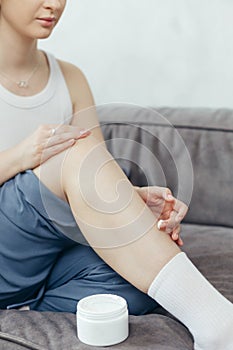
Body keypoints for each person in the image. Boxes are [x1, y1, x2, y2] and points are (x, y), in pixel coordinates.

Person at [0, 1, 232, 349]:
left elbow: (92, 169)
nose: (54, 3)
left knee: (144, 260)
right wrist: (21, 156)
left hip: (51, 255)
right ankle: (219, 324)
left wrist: (133, 198)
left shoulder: (70, 77)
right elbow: (76, 157)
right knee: (74, 151)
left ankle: (29, 306)